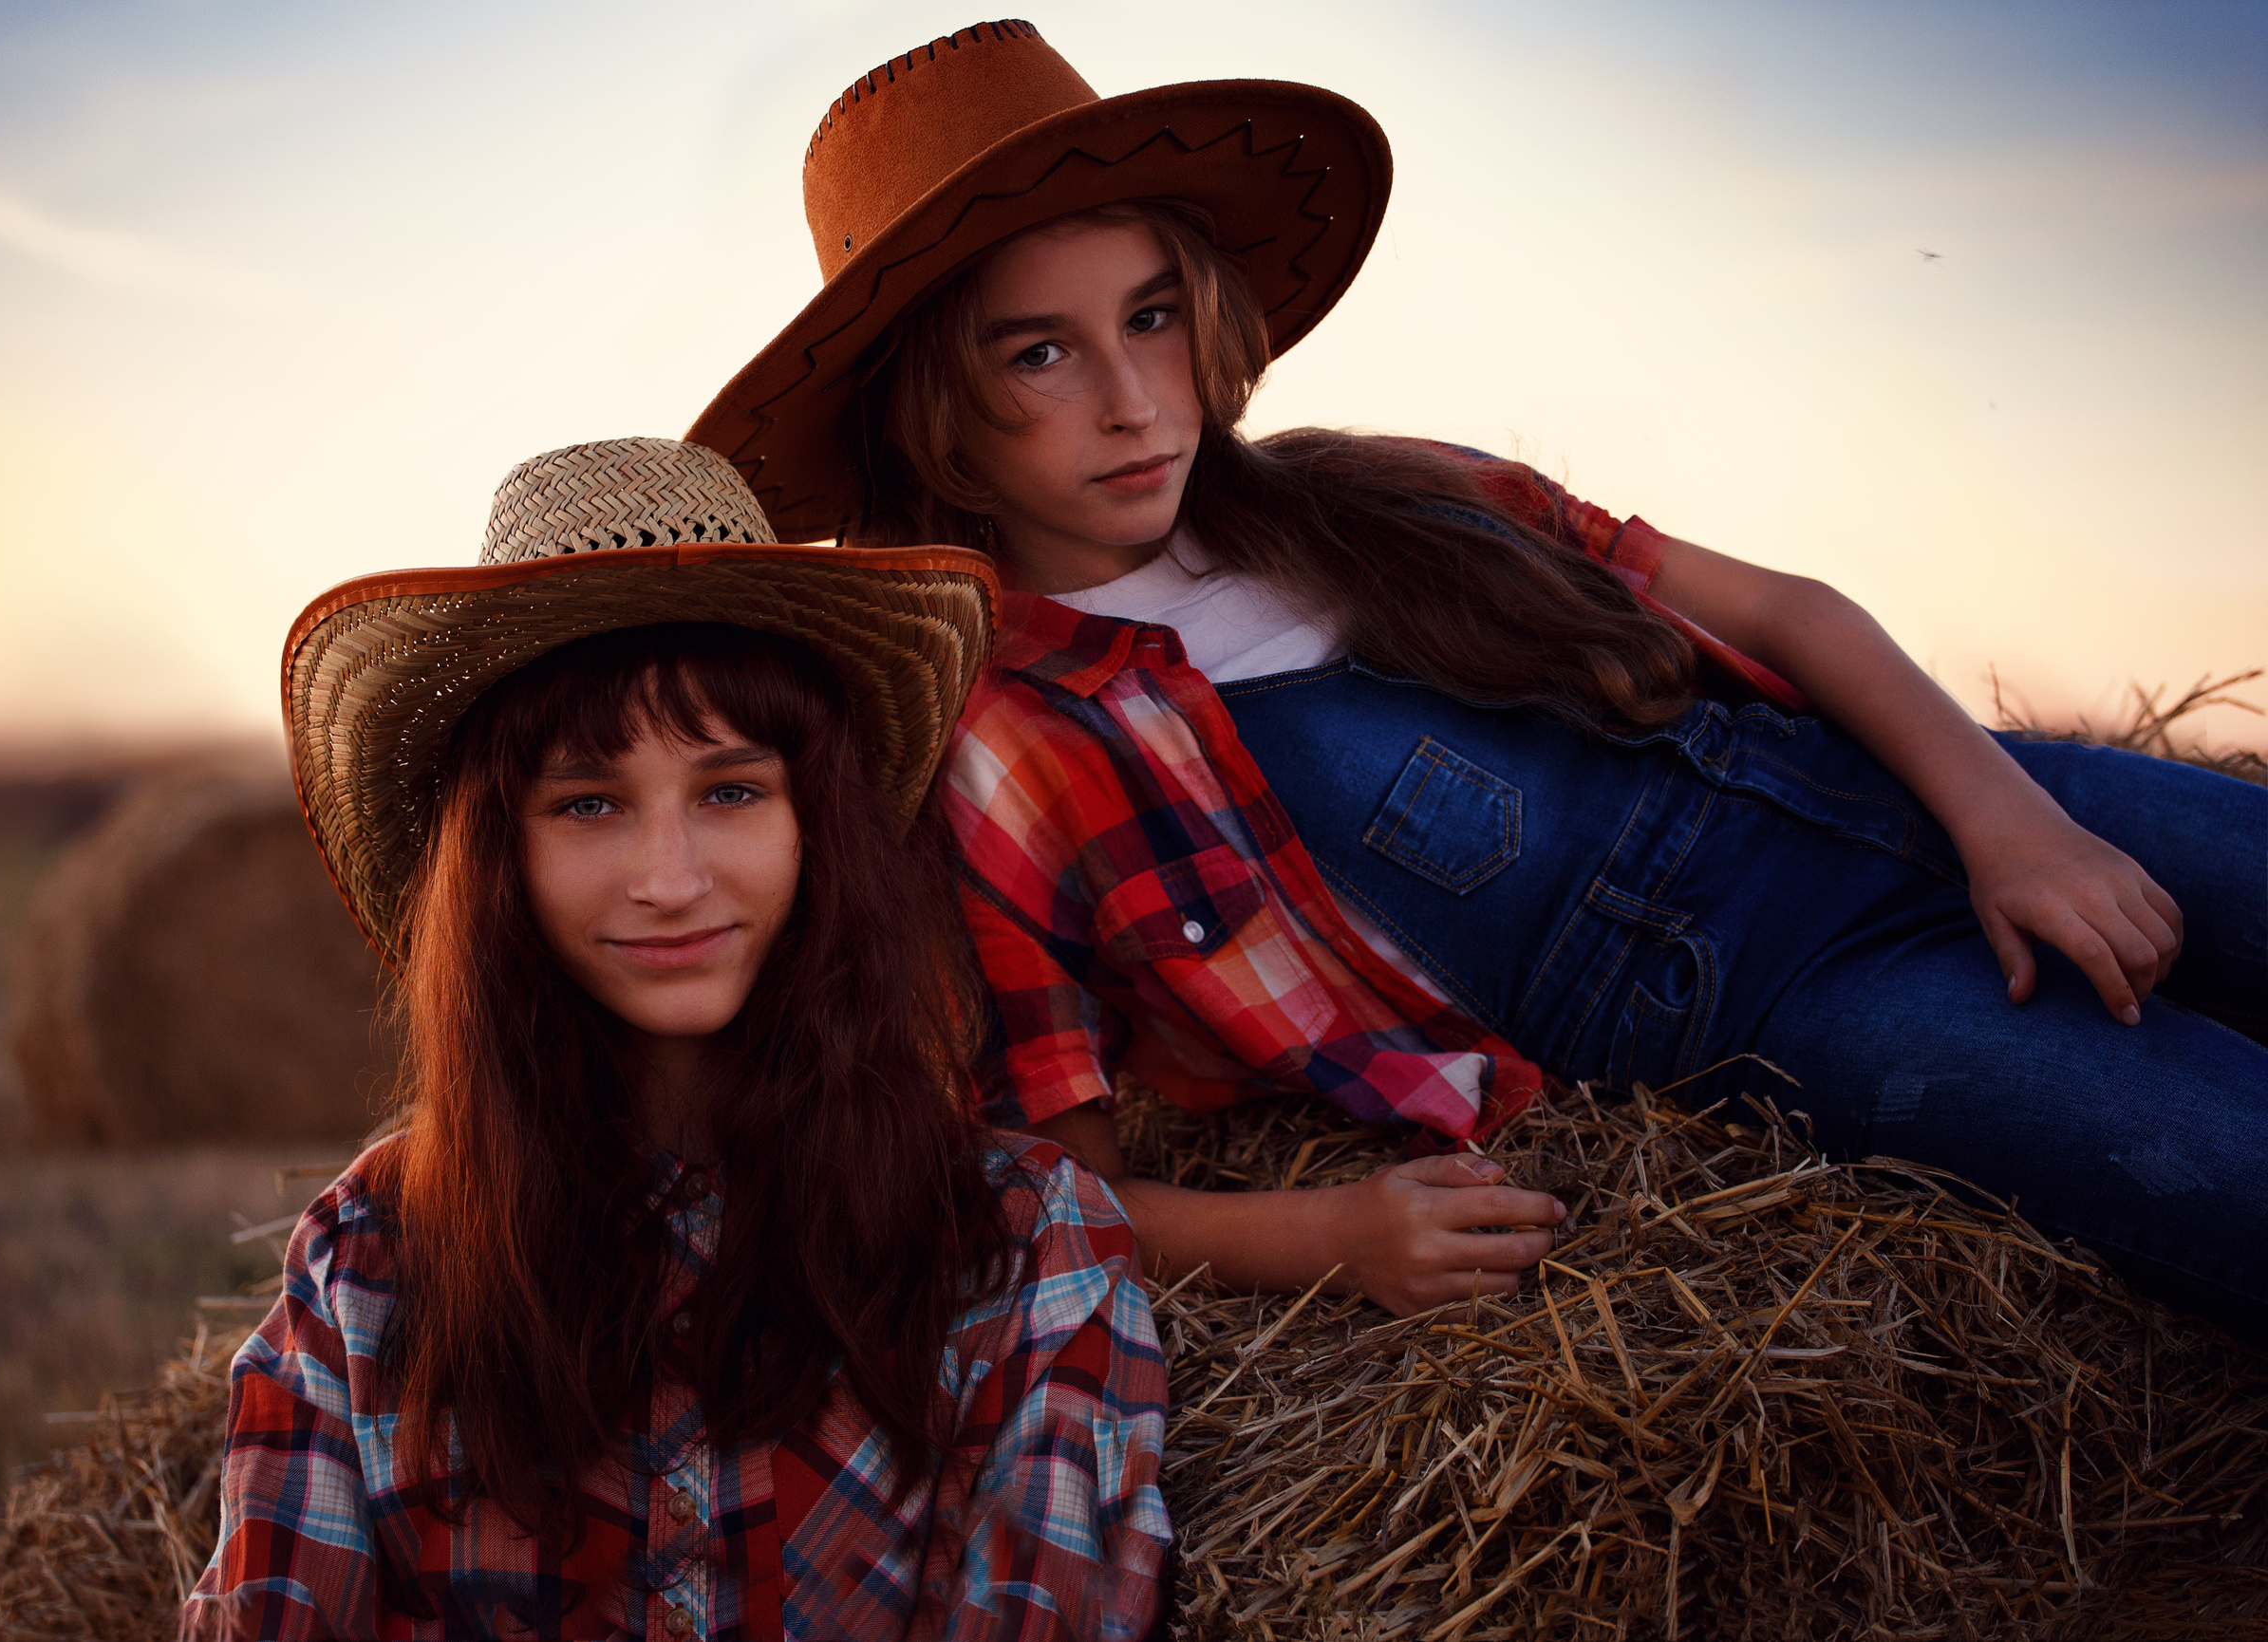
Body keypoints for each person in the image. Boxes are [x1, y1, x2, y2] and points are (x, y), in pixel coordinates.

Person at [687, 22, 2268, 1335]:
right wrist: (1327, 1239)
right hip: (1808, 1005)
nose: (1129, 398)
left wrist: (2015, 823)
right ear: (934, 421)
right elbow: (1045, 1185)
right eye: (1039, 355)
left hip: (1930, 785)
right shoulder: (1003, 755)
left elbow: (1788, 613)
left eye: (1152, 318)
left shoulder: (1379, 488)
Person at [181, 438, 1171, 1641]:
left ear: (820, 823)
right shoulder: (366, 1265)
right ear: (501, 860)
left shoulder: (1019, 1248)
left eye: (731, 790)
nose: (669, 878)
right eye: (588, 802)